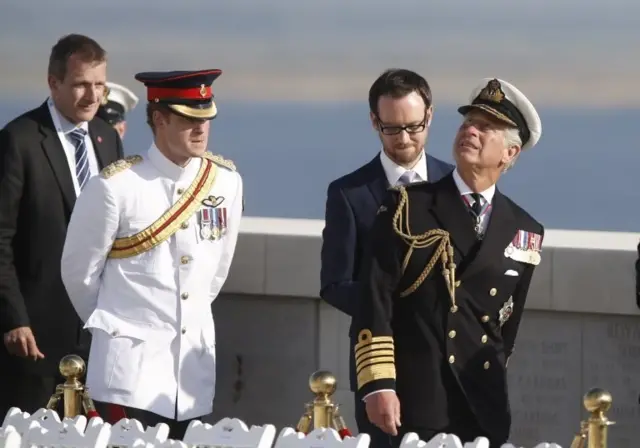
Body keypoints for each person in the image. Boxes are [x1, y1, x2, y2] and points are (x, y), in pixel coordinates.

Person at [353, 78, 544, 447]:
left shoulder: (525, 229)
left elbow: (507, 329)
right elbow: (374, 303)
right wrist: (378, 385)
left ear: (510, 153)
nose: (470, 130)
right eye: (467, 123)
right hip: (413, 402)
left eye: (486, 127)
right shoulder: (406, 207)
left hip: (480, 407)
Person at [60, 68, 243, 440]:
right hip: (128, 375)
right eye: (189, 120)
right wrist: (117, 330)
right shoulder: (116, 186)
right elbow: (79, 274)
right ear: (159, 119)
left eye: (206, 119)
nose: (201, 129)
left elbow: (216, 270)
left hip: (190, 377)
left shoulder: (226, 182)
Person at [319, 69, 453, 446]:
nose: (405, 139)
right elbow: (334, 283)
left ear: (431, 116)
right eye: (391, 128)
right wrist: (395, 305)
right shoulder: (349, 193)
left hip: (447, 366)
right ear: (374, 122)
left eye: (414, 126)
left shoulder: (454, 184)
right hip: (383, 365)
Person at [0, 34, 123, 417]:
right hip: (33, 338)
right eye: (81, 85)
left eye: (100, 84)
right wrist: (14, 319)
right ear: (53, 83)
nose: (93, 96)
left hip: (95, 335)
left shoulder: (106, 138)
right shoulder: (18, 141)